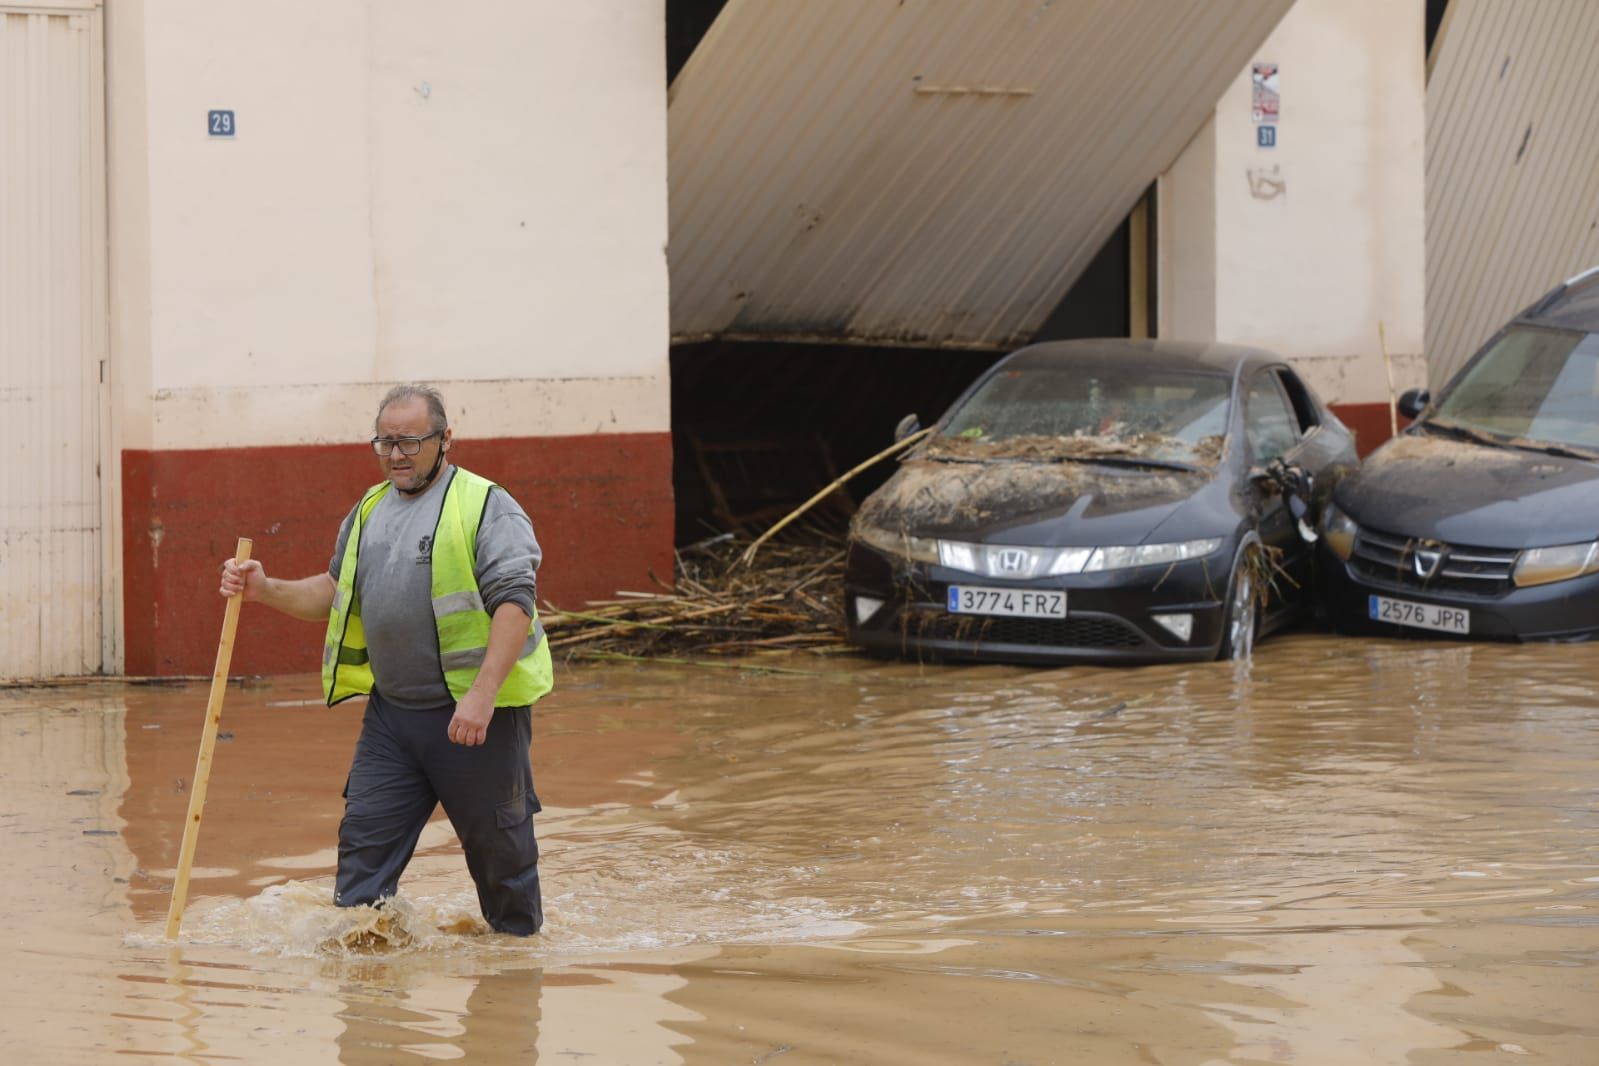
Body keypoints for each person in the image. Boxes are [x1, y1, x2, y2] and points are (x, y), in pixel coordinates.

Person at [219, 384, 553, 935]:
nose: (396, 454)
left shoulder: (486, 504)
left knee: (503, 867)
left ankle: (513, 984)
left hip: (474, 718)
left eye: (410, 441)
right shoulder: (367, 511)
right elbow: (333, 590)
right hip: (392, 720)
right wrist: (265, 589)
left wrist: (482, 695)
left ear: (446, 440)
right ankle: (370, 1005)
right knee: (360, 875)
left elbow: (516, 604)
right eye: (385, 442)